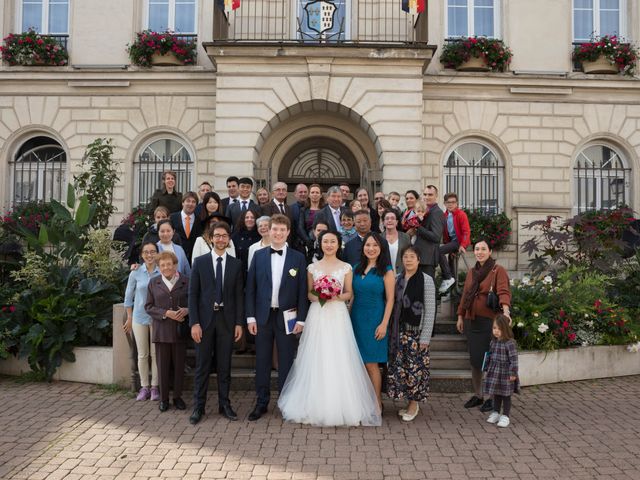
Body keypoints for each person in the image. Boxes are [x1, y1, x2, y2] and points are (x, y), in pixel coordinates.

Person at [277, 230, 382, 427]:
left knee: (339, 355)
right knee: (317, 355)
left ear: (338, 244)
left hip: (338, 316)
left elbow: (349, 293)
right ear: (320, 244)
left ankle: (342, 404)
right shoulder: (312, 267)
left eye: (333, 241)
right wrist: (321, 296)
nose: (329, 245)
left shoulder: (346, 267)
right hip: (318, 315)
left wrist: (335, 296)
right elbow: (309, 293)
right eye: (325, 241)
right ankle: (314, 403)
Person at [245, 214, 309, 421]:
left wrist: (301, 320)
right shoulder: (258, 255)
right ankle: (261, 402)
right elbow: (251, 289)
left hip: (287, 317)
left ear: (288, 232)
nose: (278, 233)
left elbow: (302, 290)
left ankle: (285, 402)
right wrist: (250, 318)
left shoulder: (298, 258)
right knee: (262, 361)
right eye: (275, 229)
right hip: (263, 317)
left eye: (282, 230)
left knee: (286, 362)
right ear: (269, 231)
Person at [188, 222, 245, 424]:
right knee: (202, 366)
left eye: (224, 236)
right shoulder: (200, 262)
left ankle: (224, 404)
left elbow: (239, 296)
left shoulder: (236, 264)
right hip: (204, 322)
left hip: (227, 322)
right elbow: (192, 295)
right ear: (211, 238)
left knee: (224, 366)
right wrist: (194, 323)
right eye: (217, 235)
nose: (221, 239)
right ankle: (199, 407)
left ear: (229, 239)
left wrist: (239, 323)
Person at [457, 239, 511, 413]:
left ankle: (491, 398)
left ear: (490, 251)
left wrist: (506, 312)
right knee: (475, 361)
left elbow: (503, 291)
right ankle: (478, 395)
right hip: (472, 321)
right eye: (477, 249)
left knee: (491, 361)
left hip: (490, 322)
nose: (479, 252)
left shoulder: (497, 270)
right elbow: (465, 295)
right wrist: (460, 316)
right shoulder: (472, 272)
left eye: (483, 249)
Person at [387, 246, 436, 422]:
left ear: (418, 259)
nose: (408, 259)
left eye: (412, 256)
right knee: (403, 370)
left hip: (416, 334)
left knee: (416, 371)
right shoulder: (397, 279)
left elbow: (430, 310)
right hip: (399, 333)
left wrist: (425, 337)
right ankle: (408, 403)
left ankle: (414, 405)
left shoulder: (426, 280)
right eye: (405, 256)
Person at [351, 232, 395, 411]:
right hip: (356, 318)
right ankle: (362, 401)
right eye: (368, 245)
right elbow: (352, 296)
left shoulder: (387, 270)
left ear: (381, 248)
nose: (371, 249)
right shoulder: (355, 268)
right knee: (358, 363)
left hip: (375, 318)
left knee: (371, 363)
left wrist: (384, 323)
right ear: (363, 248)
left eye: (375, 246)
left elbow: (391, 299)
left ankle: (377, 402)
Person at [144, 251, 189, 412]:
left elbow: (193, 301)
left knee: (178, 366)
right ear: (158, 267)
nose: (166, 267)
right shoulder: (153, 282)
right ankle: (163, 399)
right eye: (162, 265)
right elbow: (148, 307)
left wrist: (187, 310)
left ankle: (177, 397)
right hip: (162, 331)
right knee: (162, 367)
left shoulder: (186, 281)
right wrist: (165, 313)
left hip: (179, 331)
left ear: (175, 264)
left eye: (169, 264)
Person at [123, 241, 161, 402]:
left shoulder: (162, 271)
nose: (150, 255)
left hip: (157, 318)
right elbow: (128, 297)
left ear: (157, 253)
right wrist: (129, 318)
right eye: (146, 252)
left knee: (155, 353)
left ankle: (155, 387)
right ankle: (144, 387)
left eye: (153, 251)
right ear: (142, 255)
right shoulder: (136, 272)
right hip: (139, 317)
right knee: (142, 354)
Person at [484, 314, 519, 428]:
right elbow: (489, 355)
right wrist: (486, 367)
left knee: (506, 395)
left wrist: (513, 373)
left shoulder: (510, 343)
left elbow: (514, 359)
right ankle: (496, 412)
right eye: (494, 328)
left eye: (499, 329)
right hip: (494, 372)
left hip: (505, 373)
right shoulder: (493, 342)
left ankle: (505, 416)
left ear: (505, 329)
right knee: (496, 393)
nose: (496, 331)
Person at [439, 193, 471, 293]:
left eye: (453, 202)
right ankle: (451, 287)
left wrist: (463, 245)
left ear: (457, 203)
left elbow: (466, 231)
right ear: (444, 203)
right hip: (451, 242)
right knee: (451, 261)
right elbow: (445, 233)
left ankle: (448, 278)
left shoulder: (461, 215)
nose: (451, 204)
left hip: (458, 241)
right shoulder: (444, 216)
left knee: (439, 251)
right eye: (448, 202)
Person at [413, 185, 444, 279]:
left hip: (428, 259)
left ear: (436, 196)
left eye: (430, 195)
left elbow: (436, 236)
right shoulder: (426, 210)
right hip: (421, 257)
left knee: (428, 290)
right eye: (425, 194)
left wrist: (418, 227)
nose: (427, 197)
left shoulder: (436, 212)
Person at [169, 192, 202, 263]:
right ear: (182, 203)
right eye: (188, 201)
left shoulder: (200, 220)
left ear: (196, 205)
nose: (190, 204)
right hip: (175, 258)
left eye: (193, 202)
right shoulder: (172, 218)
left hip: (193, 259)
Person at [231, 209, 261, 274]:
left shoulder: (261, 236)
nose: (249, 219)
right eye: (247, 217)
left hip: (255, 272)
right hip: (239, 272)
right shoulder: (235, 236)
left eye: (252, 217)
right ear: (243, 219)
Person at [297, 184, 325, 250]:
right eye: (312, 192)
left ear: (321, 195)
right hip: (307, 244)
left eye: (317, 192)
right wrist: (307, 240)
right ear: (309, 195)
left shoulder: (325, 210)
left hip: (323, 242)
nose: (315, 194)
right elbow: (300, 227)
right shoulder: (303, 210)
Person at [382, 210, 410, 275]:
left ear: (397, 222)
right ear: (383, 222)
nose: (389, 220)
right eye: (387, 218)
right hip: (384, 274)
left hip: (402, 274)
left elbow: (408, 255)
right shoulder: (379, 237)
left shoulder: (405, 237)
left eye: (392, 218)